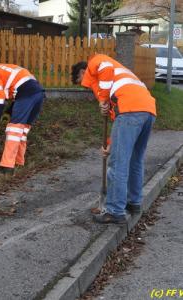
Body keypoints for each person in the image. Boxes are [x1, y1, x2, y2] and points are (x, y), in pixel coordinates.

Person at [71, 54, 156, 224]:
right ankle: (134, 203)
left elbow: (104, 67)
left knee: (118, 164)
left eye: (82, 80)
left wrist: (102, 99)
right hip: (147, 110)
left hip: (130, 112)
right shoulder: (119, 78)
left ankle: (115, 211)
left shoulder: (97, 62)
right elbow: (117, 120)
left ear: (83, 71)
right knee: (135, 161)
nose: (86, 86)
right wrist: (110, 145)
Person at [0, 59, 44, 174]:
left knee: (13, 130)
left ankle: (7, 167)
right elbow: (18, 89)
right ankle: (19, 162)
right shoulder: (2, 68)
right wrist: (8, 112)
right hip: (38, 93)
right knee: (22, 130)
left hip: (26, 94)